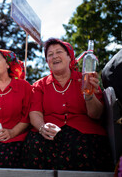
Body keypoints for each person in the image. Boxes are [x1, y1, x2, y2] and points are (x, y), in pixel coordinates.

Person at [22, 38, 113, 171]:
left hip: (84, 132)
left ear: (70, 58)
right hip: (50, 133)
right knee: (34, 143)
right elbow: (35, 112)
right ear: (47, 62)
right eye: (50, 54)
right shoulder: (40, 85)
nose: (55, 56)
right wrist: (42, 127)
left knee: (84, 146)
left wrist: (89, 95)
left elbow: (96, 114)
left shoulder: (86, 79)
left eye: (59, 52)